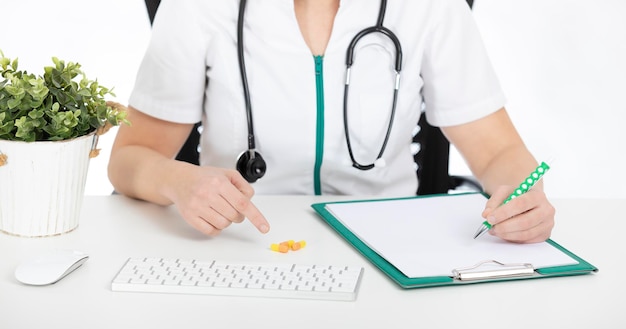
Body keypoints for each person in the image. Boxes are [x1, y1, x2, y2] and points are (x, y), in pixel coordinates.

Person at [108, 0, 555, 243]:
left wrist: (524, 198)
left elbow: (498, 152)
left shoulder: (431, 6)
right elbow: (130, 157)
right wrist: (178, 181)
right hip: (238, 241)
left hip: (390, 246)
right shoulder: (198, 6)